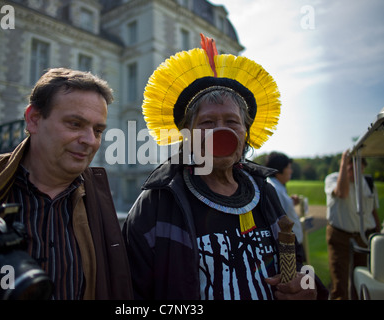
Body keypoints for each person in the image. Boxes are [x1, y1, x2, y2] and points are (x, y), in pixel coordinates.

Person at [123, 34, 327, 300]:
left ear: (245, 134)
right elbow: (132, 294)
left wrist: (308, 284)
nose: (221, 131)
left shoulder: (265, 194)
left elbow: (298, 261)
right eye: (207, 123)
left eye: (232, 122)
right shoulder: (156, 203)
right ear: (189, 136)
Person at [0, 68, 132, 300]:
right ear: (33, 120)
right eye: (75, 124)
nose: (90, 140)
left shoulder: (98, 196)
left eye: (98, 130)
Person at [325, 149, 380, 300]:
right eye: (350, 167)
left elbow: (373, 210)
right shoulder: (333, 179)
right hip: (340, 236)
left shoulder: (368, 182)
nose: (355, 171)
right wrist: (344, 162)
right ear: (343, 167)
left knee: (361, 277)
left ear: (363, 167)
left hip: (364, 235)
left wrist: (378, 231)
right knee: (339, 280)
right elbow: (342, 193)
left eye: (359, 167)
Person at [265, 152, 306, 262]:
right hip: (289, 245)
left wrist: (291, 202)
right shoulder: (274, 189)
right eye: (288, 167)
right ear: (279, 171)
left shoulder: (277, 187)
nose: (291, 171)